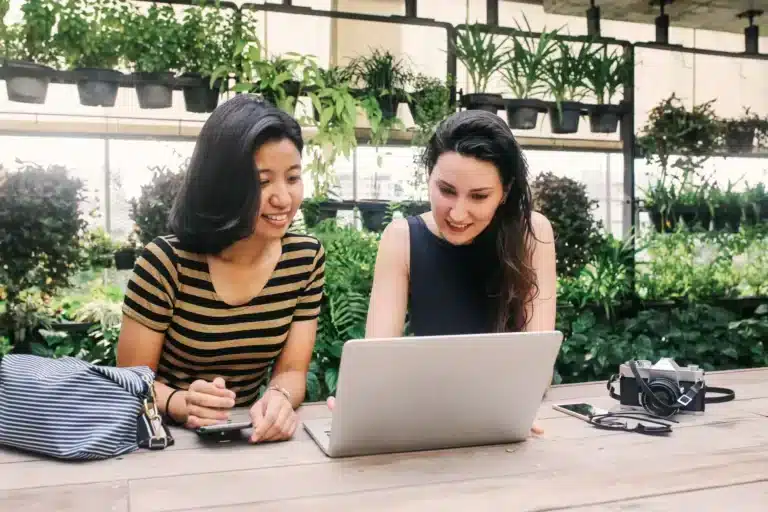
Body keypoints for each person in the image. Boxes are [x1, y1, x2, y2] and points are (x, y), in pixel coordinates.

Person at [328, 110, 557, 435]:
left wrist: (498, 407)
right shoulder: (401, 238)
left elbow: (538, 369)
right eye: (446, 191)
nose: (458, 213)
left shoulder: (534, 234)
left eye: (479, 196)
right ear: (428, 176)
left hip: (505, 427)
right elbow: (378, 362)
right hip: (423, 424)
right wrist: (366, 402)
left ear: (504, 192)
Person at [116, 95, 325, 444]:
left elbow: (291, 372)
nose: (283, 199)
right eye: (262, 182)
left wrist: (279, 398)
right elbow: (129, 381)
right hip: (166, 442)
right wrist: (180, 402)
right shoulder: (167, 262)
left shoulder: (304, 260)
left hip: (251, 440)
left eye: (292, 178)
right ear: (223, 184)